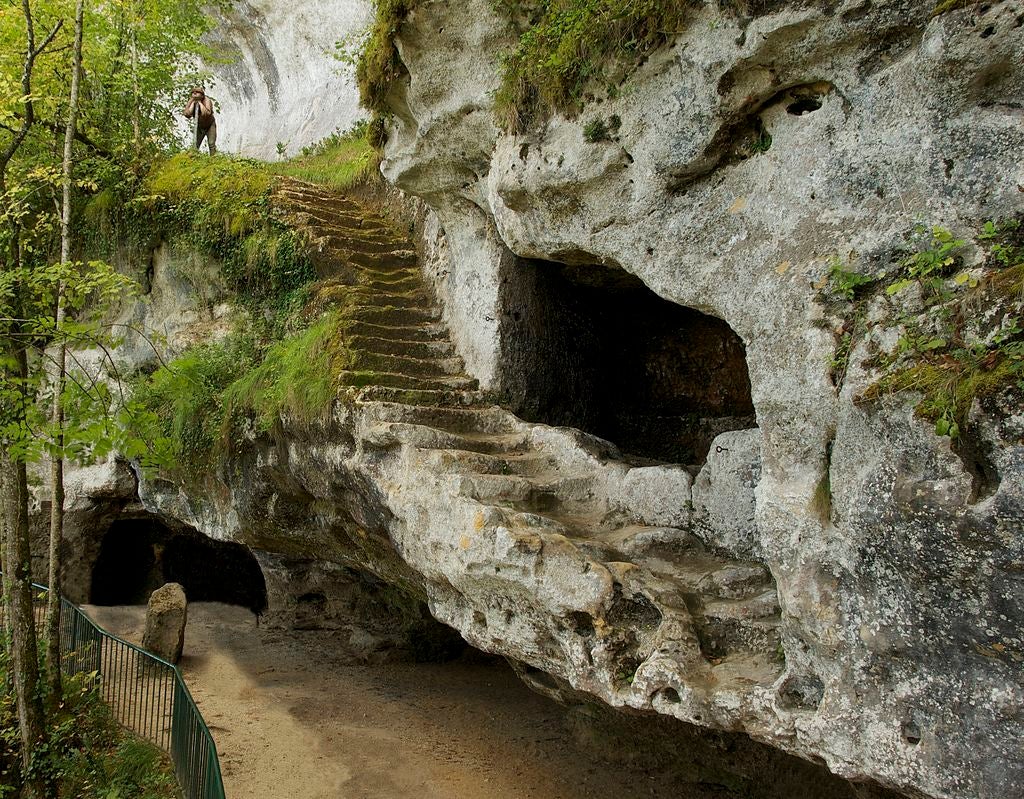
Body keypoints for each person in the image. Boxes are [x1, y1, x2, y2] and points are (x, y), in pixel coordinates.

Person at [183, 87, 217, 154]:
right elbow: (186, 114)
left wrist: (200, 103)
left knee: (211, 143)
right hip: (199, 126)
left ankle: (213, 159)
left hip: (210, 125)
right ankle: (194, 158)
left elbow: (207, 113)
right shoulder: (191, 101)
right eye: (193, 92)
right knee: (195, 144)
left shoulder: (207, 100)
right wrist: (193, 104)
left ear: (202, 95)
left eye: (197, 92)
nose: (195, 93)